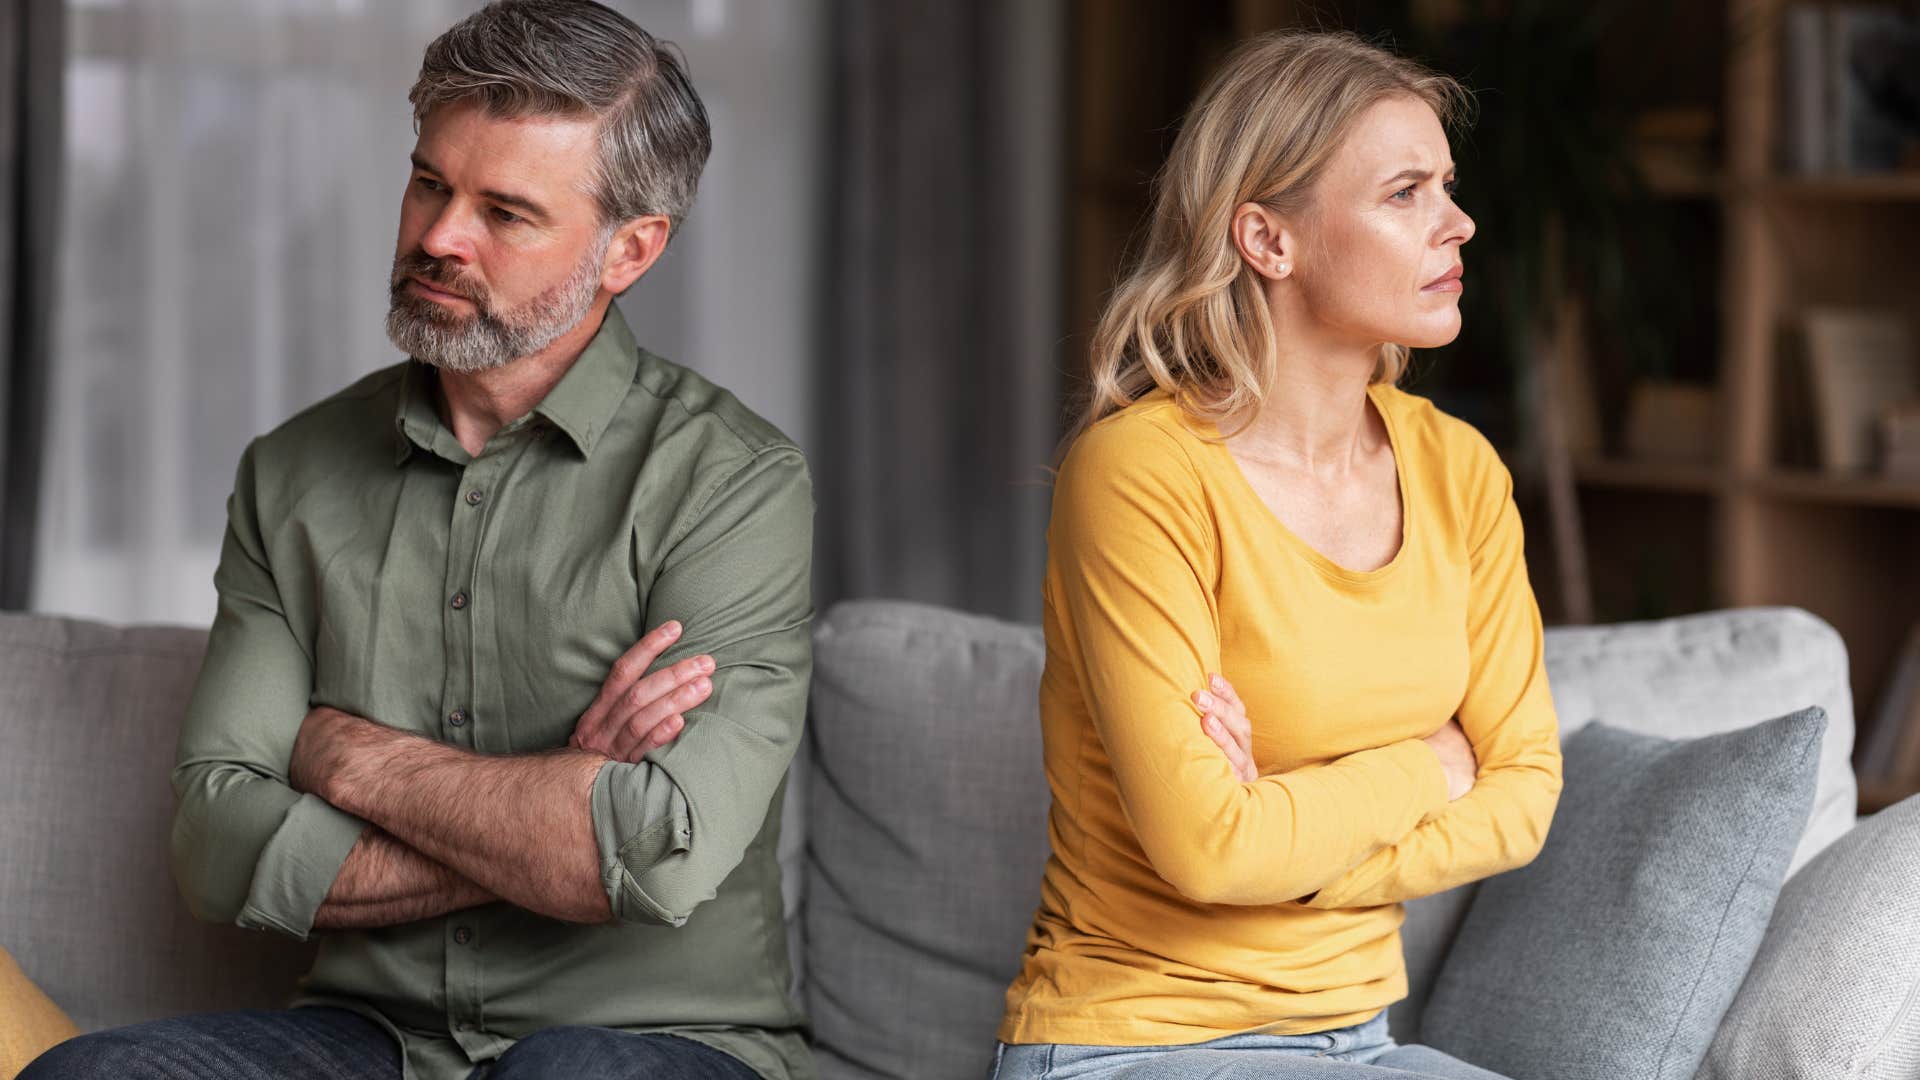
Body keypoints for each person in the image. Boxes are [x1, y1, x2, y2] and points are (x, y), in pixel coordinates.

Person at [23, 3, 813, 1079]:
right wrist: (561, 797)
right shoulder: (292, 474)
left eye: (507, 211)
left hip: (654, 1041)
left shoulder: (733, 485)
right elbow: (215, 846)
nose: (439, 236)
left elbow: (651, 856)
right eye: (431, 183)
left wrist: (347, 755)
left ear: (630, 249)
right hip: (370, 1040)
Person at [993, 29, 1562, 1080]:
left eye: (1447, 184)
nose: (1459, 222)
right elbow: (1209, 847)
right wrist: (1426, 765)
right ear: (1267, 238)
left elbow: (1523, 797)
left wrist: (1291, 849)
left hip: (1360, 1042)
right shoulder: (1139, 475)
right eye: (1405, 193)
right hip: (1127, 1043)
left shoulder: (1462, 473)